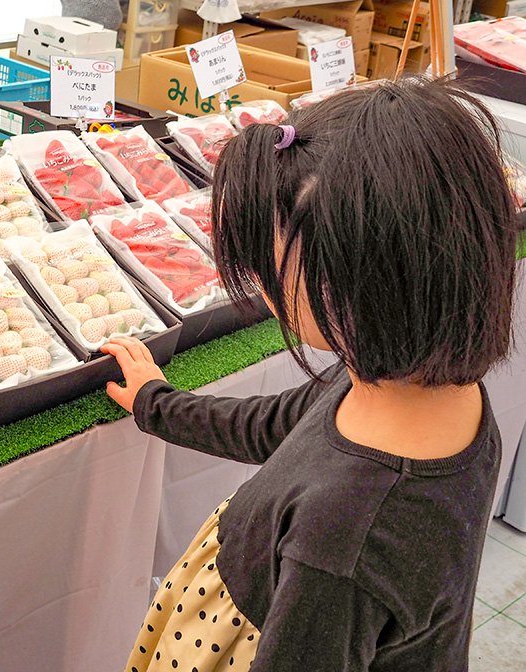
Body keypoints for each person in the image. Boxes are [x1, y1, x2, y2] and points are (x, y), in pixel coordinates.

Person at [102, 77, 518, 672]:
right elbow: (274, 425)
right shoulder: (419, 390)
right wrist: (155, 403)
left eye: (271, 269)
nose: (266, 292)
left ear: (361, 284)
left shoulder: (342, 539)